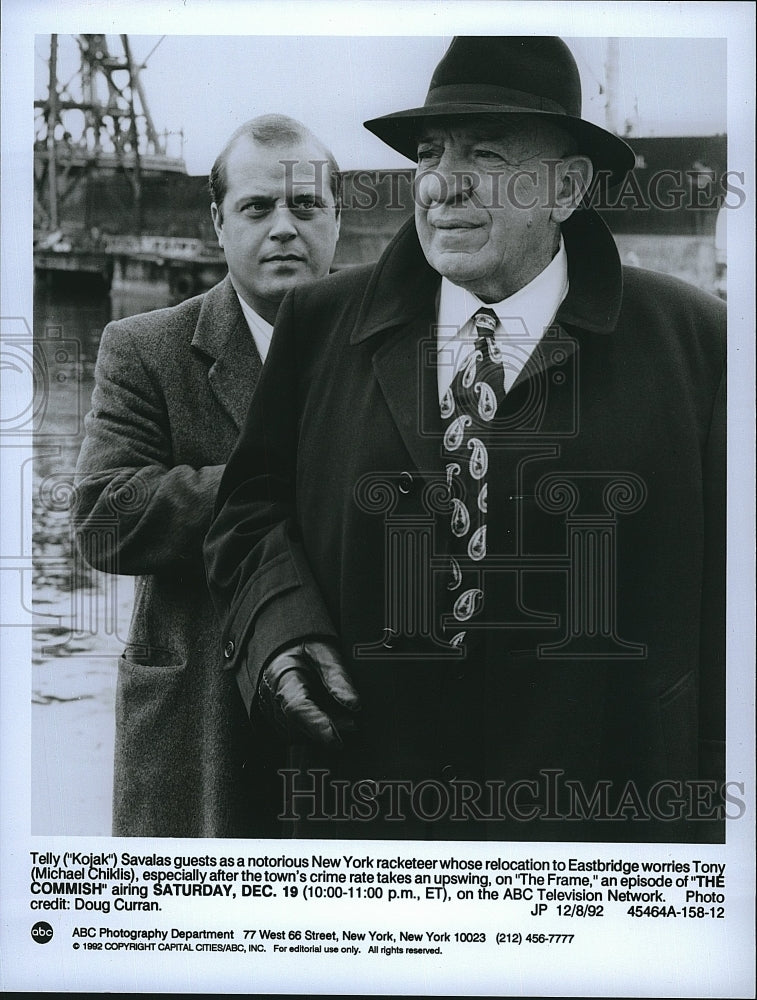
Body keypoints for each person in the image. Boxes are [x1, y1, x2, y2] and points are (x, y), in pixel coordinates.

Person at [205, 38, 726, 842]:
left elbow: (734, 602)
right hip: (361, 809)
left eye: (484, 155)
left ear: (567, 186)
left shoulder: (697, 344)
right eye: (428, 154)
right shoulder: (320, 327)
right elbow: (247, 511)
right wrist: (281, 631)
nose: (442, 184)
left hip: (599, 823)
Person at [73, 114, 341, 837]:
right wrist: (285, 482)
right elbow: (103, 519)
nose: (284, 227)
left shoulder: (394, 347)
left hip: (351, 723)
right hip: (201, 730)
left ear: (337, 221)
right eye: (258, 208)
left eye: (306, 206)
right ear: (217, 223)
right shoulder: (144, 349)